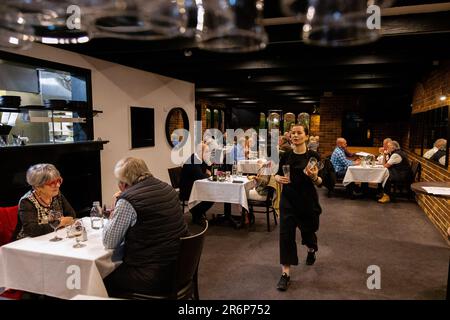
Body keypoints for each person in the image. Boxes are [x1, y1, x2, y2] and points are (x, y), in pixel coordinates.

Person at [103, 157, 188, 296]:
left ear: (123, 184)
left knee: (102, 276)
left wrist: (115, 208)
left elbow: (109, 241)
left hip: (153, 275)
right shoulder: (168, 188)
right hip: (180, 267)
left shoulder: (127, 200)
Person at [274, 124, 323, 291]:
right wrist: (277, 178)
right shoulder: (285, 155)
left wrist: (315, 177)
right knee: (286, 235)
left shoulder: (313, 156)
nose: (295, 135)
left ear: (306, 136)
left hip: (307, 201)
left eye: (299, 133)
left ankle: (311, 249)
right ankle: (285, 274)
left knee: (308, 231)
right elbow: (277, 173)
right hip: (288, 200)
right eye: (293, 133)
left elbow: (320, 182)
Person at [12, 163, 75, 240]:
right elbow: (32, 230)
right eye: (52, 183)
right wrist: (61, 222)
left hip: (53, 236)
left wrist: (56, 224)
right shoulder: (26, 201)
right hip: (27, 243)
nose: (58, 185)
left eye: (59, 180)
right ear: (38, 187)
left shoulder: (56, 194)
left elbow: (71, 215)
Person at [179, 142, 214, 224]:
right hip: (188, 189)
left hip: (196, 186)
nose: (208, 154)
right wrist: (207, 174)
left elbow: (207, 171)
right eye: (206, 152)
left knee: (213, 193)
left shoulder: (199, 159)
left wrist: (207, 172)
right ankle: (196, 213)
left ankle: (198, 213)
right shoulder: (193, 161)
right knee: (212, 195)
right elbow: (201, 176)